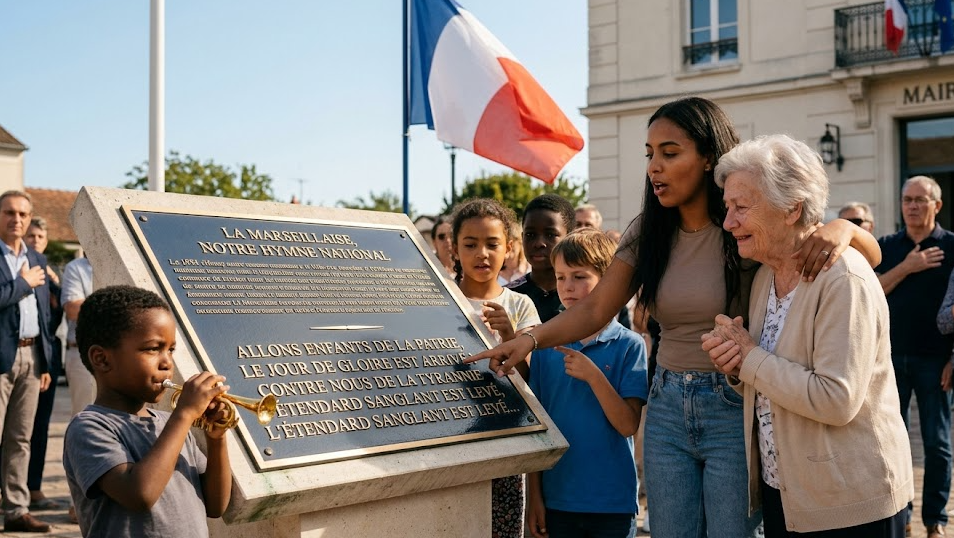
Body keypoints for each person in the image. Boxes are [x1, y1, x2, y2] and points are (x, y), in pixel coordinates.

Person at [468, 97, 881, 538]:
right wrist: (529, 340)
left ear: (707, 159)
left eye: (670, 152)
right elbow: (593, 309)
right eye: (650, 155)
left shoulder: (747, 225)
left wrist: (846, 229)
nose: (654, 168)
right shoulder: (649, 231)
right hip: (665, 407)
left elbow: (868, 258)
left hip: (733, 406)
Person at [701, 134, 912, 536]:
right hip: (789, 496)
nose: (728, 222)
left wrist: (748, 359)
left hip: (851, 505)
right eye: (728, 208)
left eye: (741, 207)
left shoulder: (843, 278)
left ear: (792, 208)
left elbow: (836, 399)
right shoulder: (766, 275)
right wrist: (736, 361)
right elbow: (773, 377)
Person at [63, 285, 232, 537]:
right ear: (102, 359)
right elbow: (139, 494)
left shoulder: (169, 423)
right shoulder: (89, 427)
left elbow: (216, 505)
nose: (167, 362)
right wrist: (185, 414)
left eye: (170, 349)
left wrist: (216, 438)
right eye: (153, 349)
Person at [526, 228, 647, 538]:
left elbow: (627, 424)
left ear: (608, 282)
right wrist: (535, 498)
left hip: (612, 504)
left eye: (579, 276)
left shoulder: (630, 345)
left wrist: (594, 375)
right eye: (560, 276)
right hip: (558, 501)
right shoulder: (543, 345)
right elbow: (538, 430)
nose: (567, 287)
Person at [449, 198, 540, 538]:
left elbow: (529, 378)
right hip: (450, 434)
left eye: (492, 244)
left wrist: (508, 335)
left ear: (509, 248)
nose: (481, 254)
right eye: (470, 244)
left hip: (505, 434)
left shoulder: (519, 304)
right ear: (454, 248)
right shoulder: (437, 300)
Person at [876, 175, 954, 538]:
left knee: (937, 443)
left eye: (921, 200)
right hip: (888, 360)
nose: (912, 206)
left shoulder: (952, 246)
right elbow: (871, 291)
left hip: (936, 362)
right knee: (894, 441)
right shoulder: (887, 246)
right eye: (907, 199)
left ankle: (935, 520)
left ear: (936, 205)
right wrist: (908, 266)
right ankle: (901, 515)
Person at [0, 190, 54, 533]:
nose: (16, 219)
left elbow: (45, 312)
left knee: (21, 438)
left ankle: (16, 510)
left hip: (33, 356)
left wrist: (46, 362)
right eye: (8, 213)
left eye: (22, 214)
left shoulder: (38, 258)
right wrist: (22, 283)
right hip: (1, 358)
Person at [23, 217, 64, 511]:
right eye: (31, 235)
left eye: (39, 235)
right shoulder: (17, 271)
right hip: (19, 351)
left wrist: (54, 283)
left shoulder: (53, 275)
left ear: (46, 240)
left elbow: (57, 315)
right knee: (15, 429)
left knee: (39, 426)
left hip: (47, 354)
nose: (34, 239)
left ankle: (34, 488)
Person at [59, 254, 94, 523]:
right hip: (83, 357)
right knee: (82, 425)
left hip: (123, 356)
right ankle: (77, 504)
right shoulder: (76, 268)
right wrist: (115, 309)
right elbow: (72, 309)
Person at [498, 221, 530, 286]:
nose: (508, 247)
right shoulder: (494, 272)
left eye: (512, 243)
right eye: (504, 242)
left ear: (520, 242)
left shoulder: (529, 269)